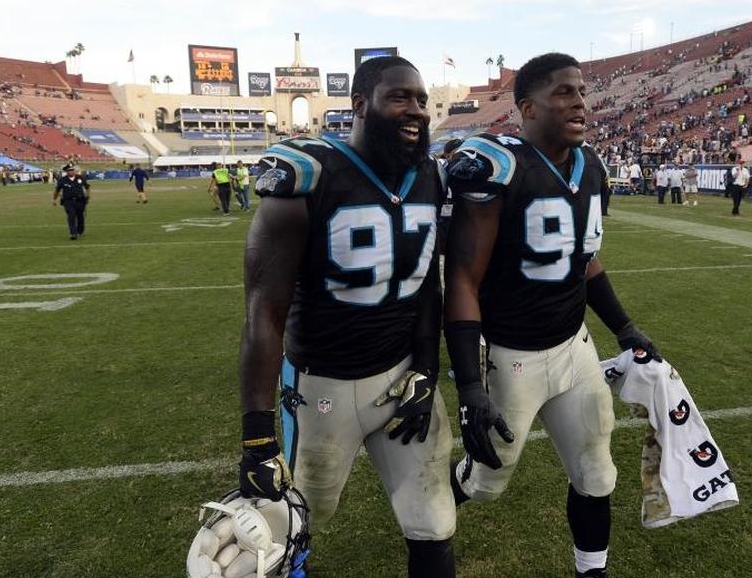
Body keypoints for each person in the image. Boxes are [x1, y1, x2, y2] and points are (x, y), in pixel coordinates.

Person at [236, 56, 455, 578]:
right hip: (320, 390)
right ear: (359, 105)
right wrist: (257, 439)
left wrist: (427, 370)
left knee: (434, 522)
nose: (417, 111)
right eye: (401, 97)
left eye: (422, 100)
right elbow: (262, 315)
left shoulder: (429, 175)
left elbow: (427, 286)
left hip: (401, 377)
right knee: (286, 524)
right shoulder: (309, 177)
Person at [444, 53, 661, 578]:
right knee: (485, 480)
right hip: (511, 355)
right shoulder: (497, 165)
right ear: (527, 108)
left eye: (581, 91)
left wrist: (623, 325)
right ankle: (426, 514)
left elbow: (582, 259)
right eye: (564, 92)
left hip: (573, 346)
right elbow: (463, 279)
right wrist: (471, 387)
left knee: (596, 470)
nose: (580, 102)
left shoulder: (591, 167)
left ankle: (593, 569)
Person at [51, 164, 91, 240]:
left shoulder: (80, 178)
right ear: (66, 171)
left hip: (80, 201)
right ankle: (73, 233)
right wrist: (54, 199)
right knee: (71, 216)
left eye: (73, 170)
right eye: (70, 170)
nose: (72, 171)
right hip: (68, 201)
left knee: (80, 217)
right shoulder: (62, 180)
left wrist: (88, 197)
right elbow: (57, 191)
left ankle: (80, 231)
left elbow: (87, 187)